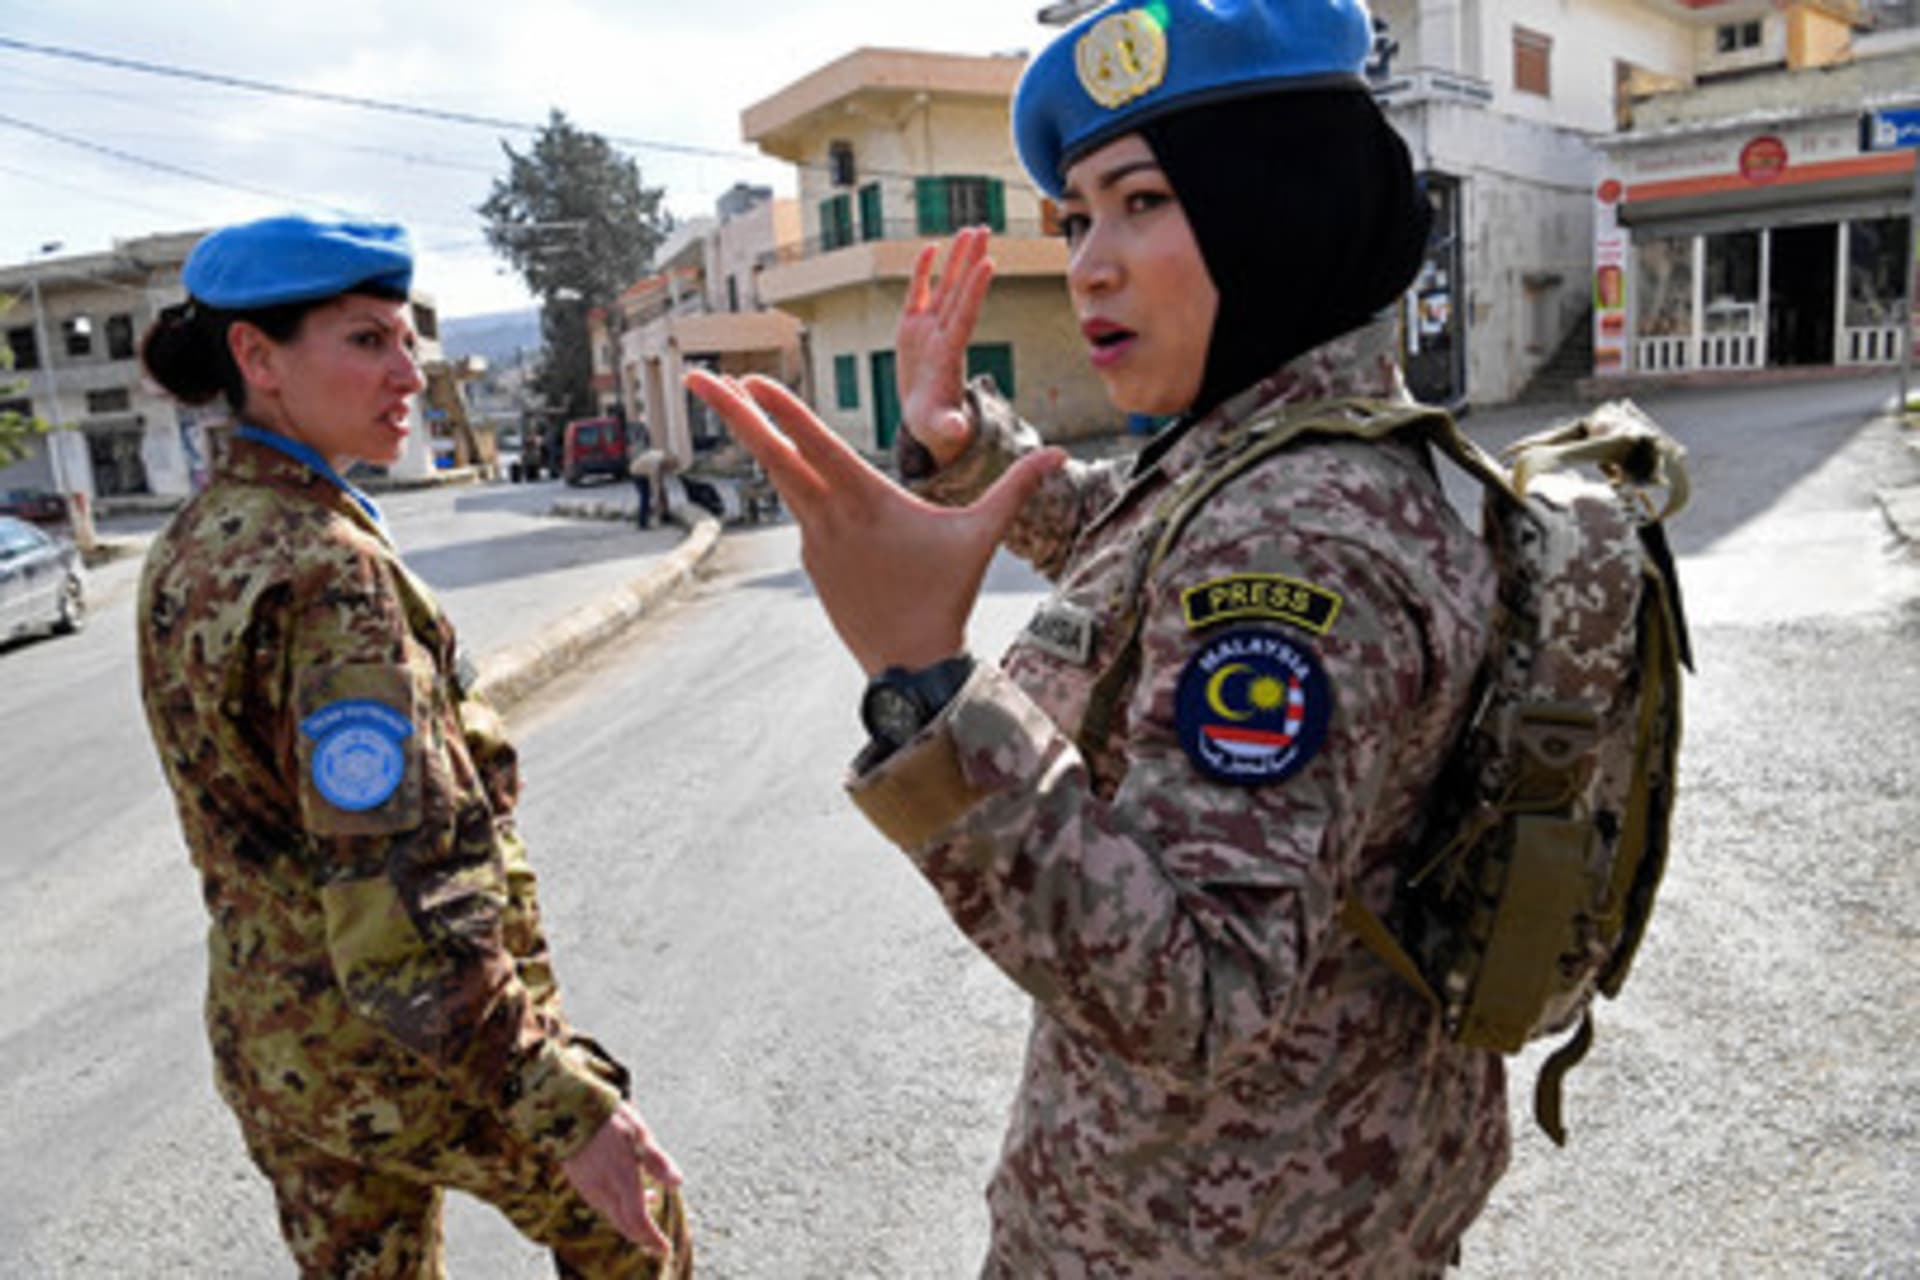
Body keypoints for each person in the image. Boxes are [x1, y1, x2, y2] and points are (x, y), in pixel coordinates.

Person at [686, 0, 1507, 1273]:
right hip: (1341, 1182)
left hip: (1203, 1230)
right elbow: (1147, 574)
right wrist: (972, 452)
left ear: (1277, 202)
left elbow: (1203, 994)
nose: (1088, 264)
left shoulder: (1295, 540)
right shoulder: (1305, 451)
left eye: (1143, 202)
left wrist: (931, 688)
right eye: (1077, 218)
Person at [136, 214, 691, 1278]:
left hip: (276, 1052)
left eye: (407, 339)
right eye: (366, 341)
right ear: (258, 359)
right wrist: (566, 1108)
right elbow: (403, 910)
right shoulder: (326, 569)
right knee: (639, 1226)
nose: (410, 372)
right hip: (398, 1062)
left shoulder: (193, 540)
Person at [627, 431, 673, 530]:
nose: (668, 470)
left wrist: (662, 495)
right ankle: (642, 523)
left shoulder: (661, 456)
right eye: (669, 467)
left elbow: (660, 482)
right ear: (667, 463)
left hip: (642, 470)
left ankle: (664, 515)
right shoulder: (655, 465)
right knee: (645, 497)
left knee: (658, 493)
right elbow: (655, 484)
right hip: (638, 473)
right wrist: (657, 501)